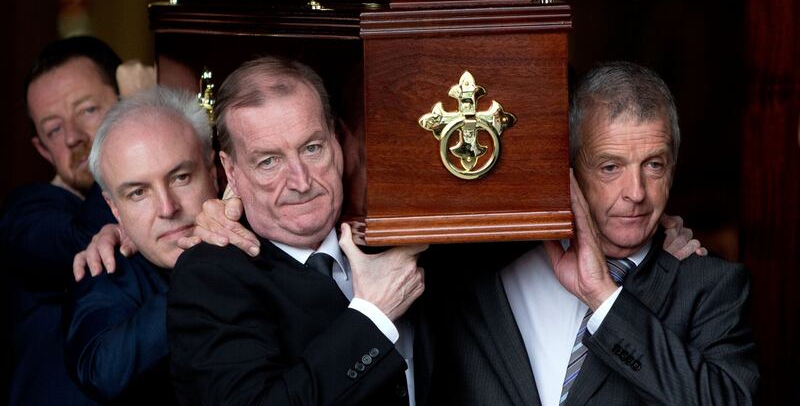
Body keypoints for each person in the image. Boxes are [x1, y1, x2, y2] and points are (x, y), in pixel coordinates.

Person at [437, 62, 759, 405]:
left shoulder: (711, 287)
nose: (635, 192)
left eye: (654, 165)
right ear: (569, 170)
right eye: (610, 167)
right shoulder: (477, 272)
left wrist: (604, 298)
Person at [167, 56, 429, 405]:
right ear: (231, 171)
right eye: (269, 161)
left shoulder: (402, 233)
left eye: (312, 148)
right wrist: (373, 315)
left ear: (338, 143)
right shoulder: (209, 278)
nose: (301, 181)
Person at [0, 36, 154, 405]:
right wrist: (139, 111)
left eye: (87, 110)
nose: (72, 137)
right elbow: (93, 238)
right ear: (42, 149)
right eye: (53, 129)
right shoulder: (26, 217)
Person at [63, 86, 217, 404]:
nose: (167, 208)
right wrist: (205, 273)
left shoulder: (262, 240)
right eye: (138, 193)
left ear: (214, 173)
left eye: (181, 177)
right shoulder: (107, 269)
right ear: (114, 209)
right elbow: (102, 374)